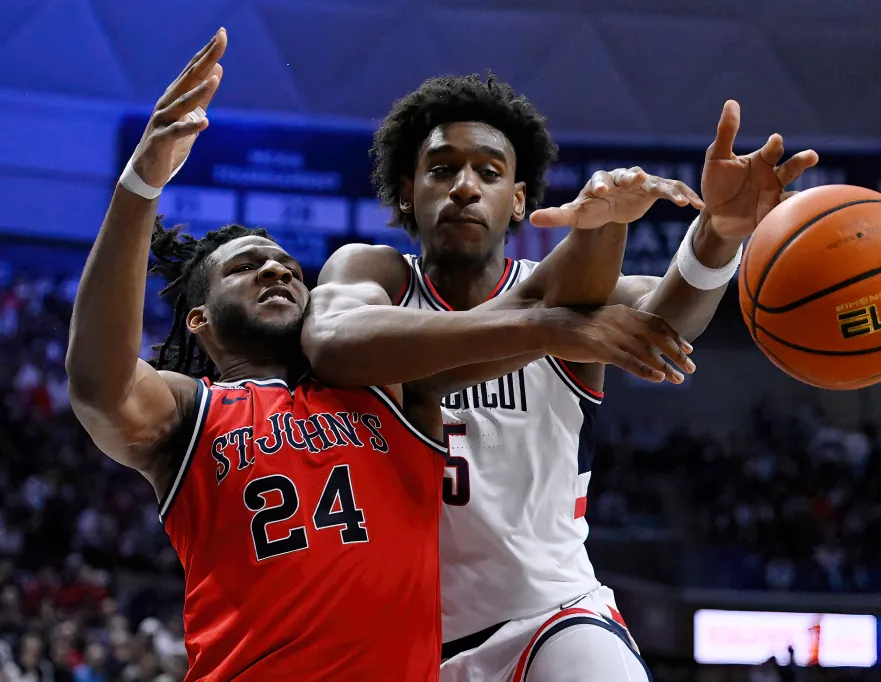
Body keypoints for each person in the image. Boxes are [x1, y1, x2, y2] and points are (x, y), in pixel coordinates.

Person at [66, 32, 690, 682]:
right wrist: (140, 185)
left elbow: (514, 310)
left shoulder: (386, 389)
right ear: (199, 319)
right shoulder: (190, 414)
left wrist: (640, 236)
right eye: (245, 268)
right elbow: (99, 385)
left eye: (288, 267)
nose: (276, 271)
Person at [305, 74, 819, 681]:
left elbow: (662, 319)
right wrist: (542, 328)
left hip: (549, 619)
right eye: (441, 170)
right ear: (405, 192)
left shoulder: (576, 298)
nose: (464, 187)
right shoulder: (377, 274)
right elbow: (331, 341)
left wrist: (716, 236)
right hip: (396, 641)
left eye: (489, 173)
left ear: (518, 200)